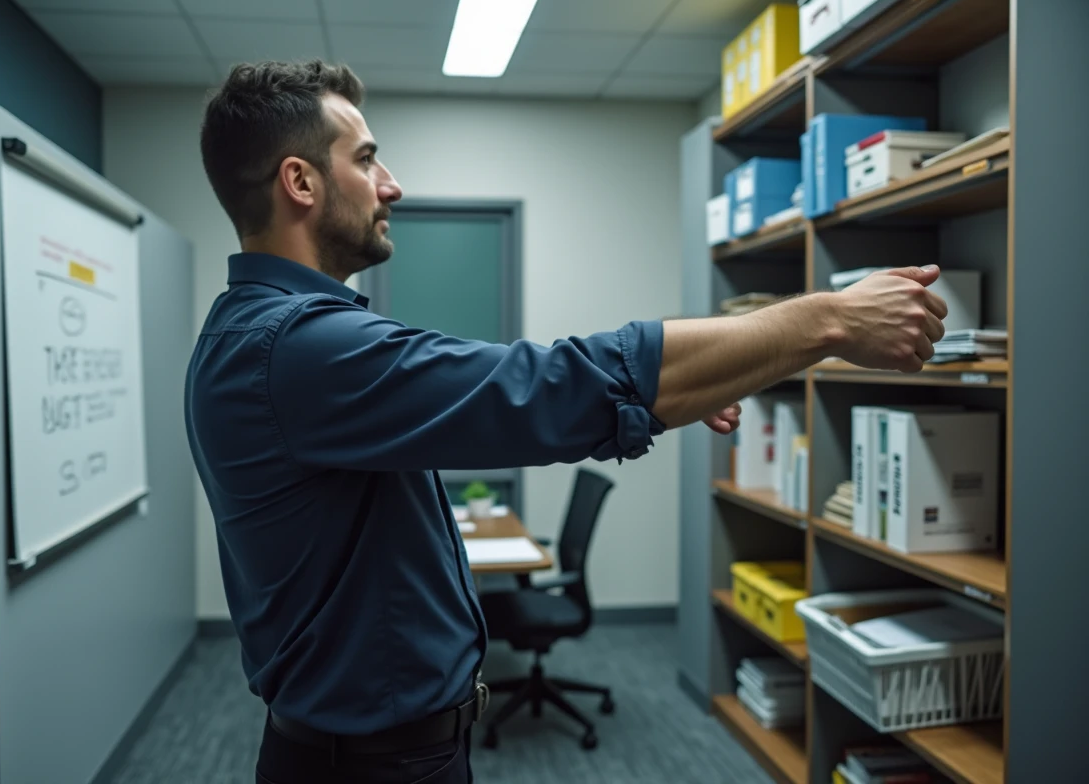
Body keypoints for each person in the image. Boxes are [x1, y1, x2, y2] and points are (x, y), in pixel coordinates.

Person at [185, 59, 947, 784]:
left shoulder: (261, 337)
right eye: (367, 159)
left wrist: (675, 385)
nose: (392, 186)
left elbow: (547, 390)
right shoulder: (298, 348)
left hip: (366, 751)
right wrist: (830, 319)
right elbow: (541, 388)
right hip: (369, 765)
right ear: (301, 182)